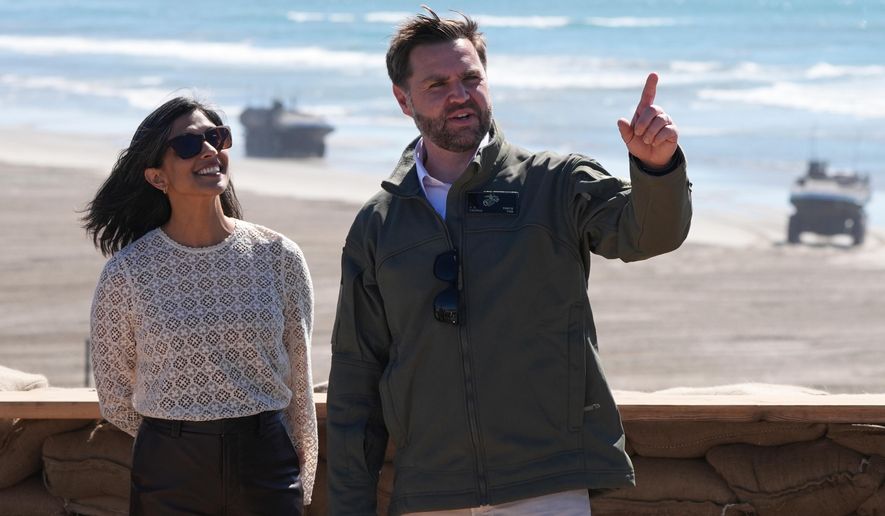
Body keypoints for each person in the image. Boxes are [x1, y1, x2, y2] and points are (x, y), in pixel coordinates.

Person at [326, 7, 692, 516]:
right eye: (437, 84)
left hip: (548, 486)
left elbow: (648, 233)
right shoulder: (378, 224)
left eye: (470, 78)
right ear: (402, 99)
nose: (460, 95)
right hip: (431, 492)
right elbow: (356, 380)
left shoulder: (555, 182)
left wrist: (657, 169)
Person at [83, 96, 317, 515]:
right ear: (157, 176)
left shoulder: (278, 256)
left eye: (217, 137)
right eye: (189, 144)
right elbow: (115, 395)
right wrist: (177, 433)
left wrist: (300, 467)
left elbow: (299, 377)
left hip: (265, 464)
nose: (209, 150)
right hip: (169, 473)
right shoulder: (127, 273)